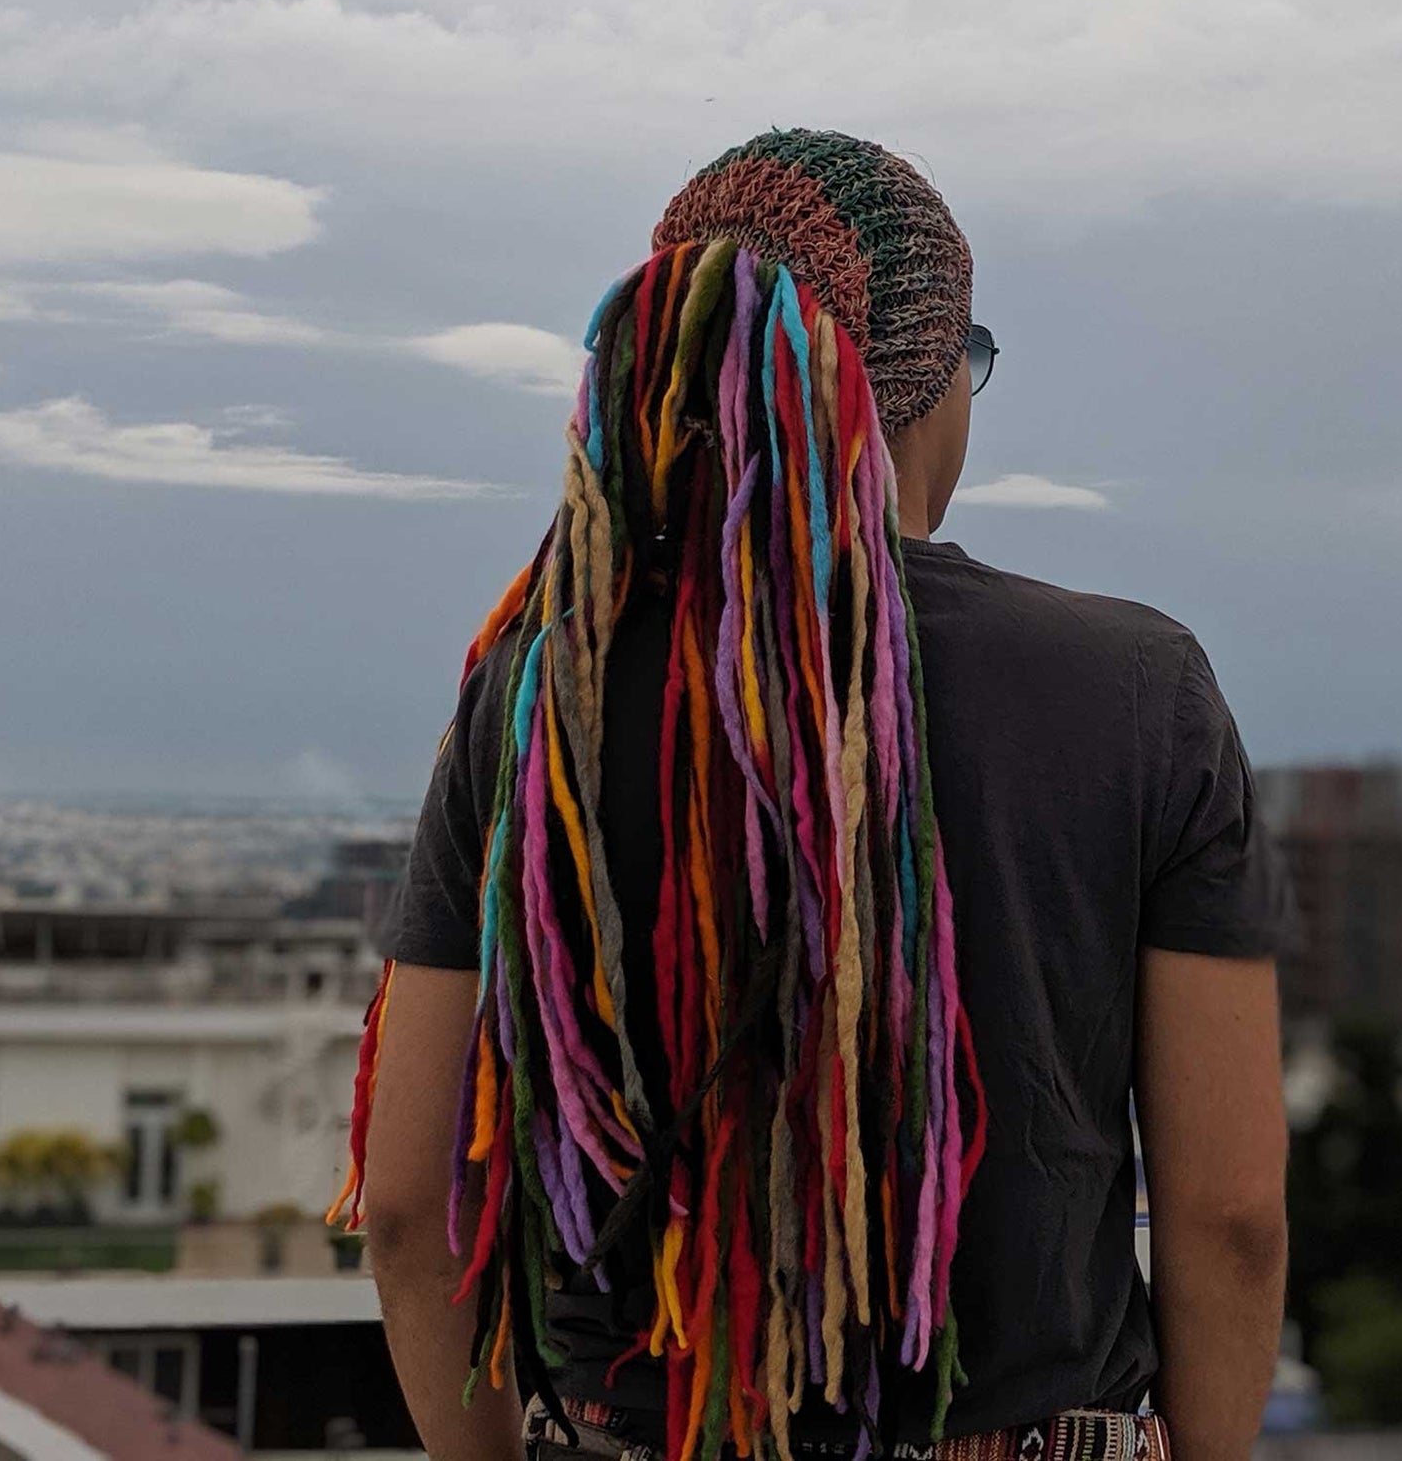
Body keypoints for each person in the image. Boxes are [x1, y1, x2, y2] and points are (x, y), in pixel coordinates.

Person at [344, 129, 1290, 1461]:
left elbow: (408, 1201)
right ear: (935, 378)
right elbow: (1230, 1209)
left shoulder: (539, 686)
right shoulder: (1138, 688)